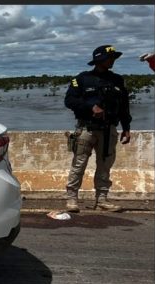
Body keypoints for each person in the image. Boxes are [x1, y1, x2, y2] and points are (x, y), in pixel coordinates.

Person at [64, 45, 132, 212]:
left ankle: (102, 200)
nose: (112, 61)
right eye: (110, 58)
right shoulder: (81, 79)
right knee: (79, 165)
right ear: (99, 60)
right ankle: (72, 199)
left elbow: (124, 106)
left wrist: (126, 127)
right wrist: (90, 107)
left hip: (109, 130)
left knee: (105, 166)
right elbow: (69, 101)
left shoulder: (117, 80)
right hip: (86, 129)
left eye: (114, 58)